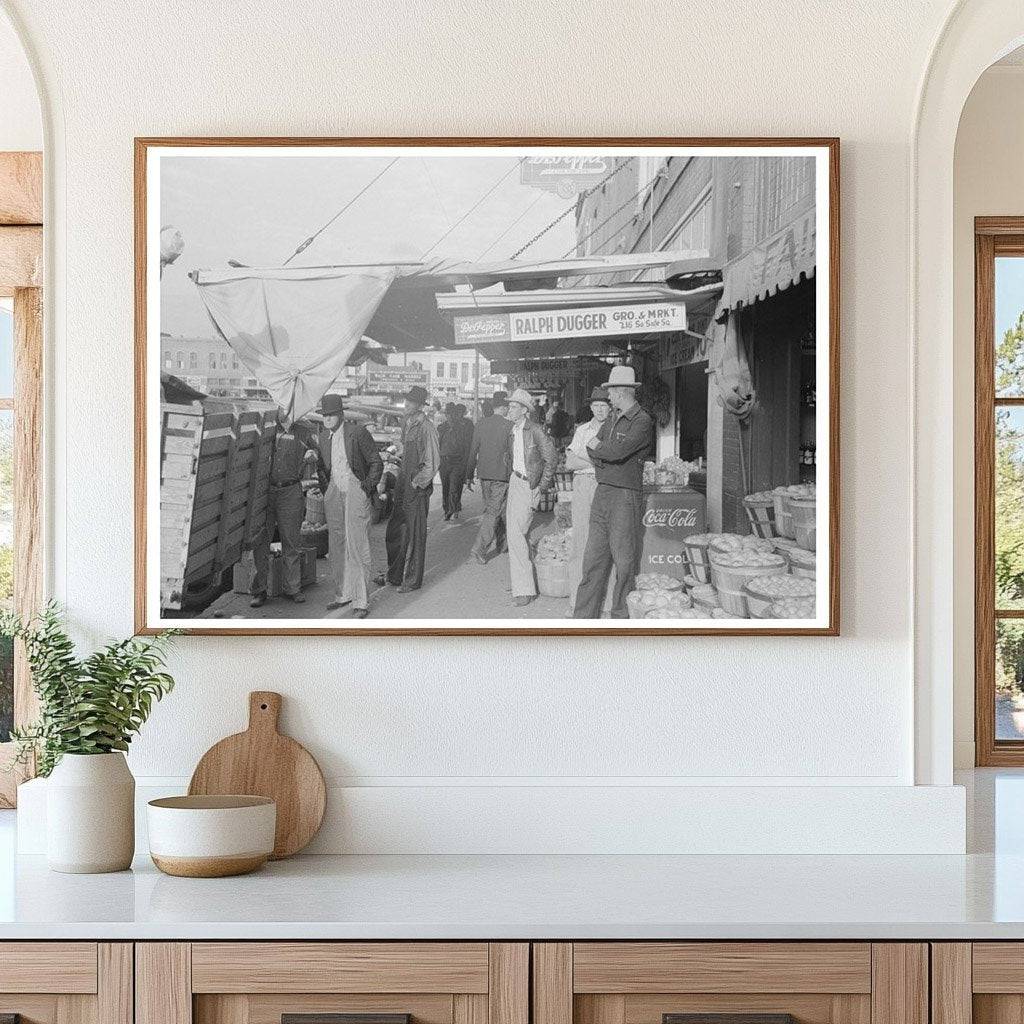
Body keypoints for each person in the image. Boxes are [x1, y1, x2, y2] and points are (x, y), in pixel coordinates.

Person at [573, 366, 655, 619]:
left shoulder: (642, 421)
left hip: (624, 496)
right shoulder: (611, 418)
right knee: (592, 560)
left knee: (624, 562)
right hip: (603, 493)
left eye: (610, 392)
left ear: (621, 392)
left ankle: (620, 618)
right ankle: (582, 619)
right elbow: (592, 447)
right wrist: (605, 453)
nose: (608, 398)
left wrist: (604, 452)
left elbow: (615, 452)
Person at [316, 393, 382, 619]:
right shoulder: (323, 436)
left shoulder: (357, 432)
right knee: (336, 545)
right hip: (334, 491)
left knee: (357, 546)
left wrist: (365, 488)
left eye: (331, 415)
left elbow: (376, 462)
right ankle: (343, 594)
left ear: (341, 414)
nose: (327, 419)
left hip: (355, 489)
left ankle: (361, 601)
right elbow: (321, 468)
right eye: (324, 415)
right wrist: (327, 491)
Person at [250, 408, 314, 608]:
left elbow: (318, 455)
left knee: (291, 541)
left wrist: (313, 455)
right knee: (261, 541)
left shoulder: (304, 431)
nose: (284, 410)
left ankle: (292, 588)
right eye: (281, 405)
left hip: (291, 491)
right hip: (266, 492)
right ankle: (259, 590)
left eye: (288, 406)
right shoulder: (267, 429)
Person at [382, 384, 440, 593]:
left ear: (418, 406)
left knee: (415, 535)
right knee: (396, 530)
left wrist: (417, 483)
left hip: (416, 487)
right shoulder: (408, 423)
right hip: (403, 483)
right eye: (406, 400)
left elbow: (432, 463)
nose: (406, 404)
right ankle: (394, 574)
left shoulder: (427, 427)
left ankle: (412, 580)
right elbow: (408, 451)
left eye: (410, 402)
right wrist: (396, 452)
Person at [504, 388, 557, 607]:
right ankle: (522, 582)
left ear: (525, 411)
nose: (510, 409)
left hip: (529, 484)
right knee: (517, 534)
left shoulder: (535, 431)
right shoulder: (514, 430)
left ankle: (524, 589)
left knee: (516, 536)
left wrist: (540, 487)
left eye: (514, 406)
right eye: (510, 405)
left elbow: (551, 459)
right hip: (515, 481)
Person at [564, 386, 613, 606]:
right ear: (591, 407)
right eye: (596, 405)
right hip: (583, 484)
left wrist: (587, 459)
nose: (600, 410)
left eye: (604, 405)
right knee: (580, 542)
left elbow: (614, 462)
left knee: (607, 542)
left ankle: (607, 602)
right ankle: (577, 601)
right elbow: (569, 462)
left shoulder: (614, 429)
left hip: (605, 485)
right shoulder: (582, 430)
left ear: (610, 407)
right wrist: (598, 461)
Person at [467, 391, 511, 564]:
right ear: (504, 407)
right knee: (493, 512)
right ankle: (478, 549)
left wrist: (469, 474)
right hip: (501, 475)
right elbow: (512, 454)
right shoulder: (509, 426)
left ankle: (502, 544)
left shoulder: (481, 424)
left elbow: (473, 451)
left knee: (495, 509)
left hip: (484, 475)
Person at [438, 402, 474, 521]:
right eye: (448, 414)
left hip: (457, 462)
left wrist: (467, 465)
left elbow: (466, 446)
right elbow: (437, 444)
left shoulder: (463, 427)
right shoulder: (441, 427)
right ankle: (447, 509)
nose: (450, 416)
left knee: (454, 486)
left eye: (452, 414)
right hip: (444, 462)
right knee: (445, 487)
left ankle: (453, 510)